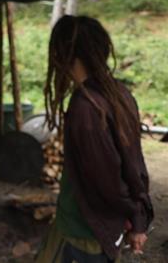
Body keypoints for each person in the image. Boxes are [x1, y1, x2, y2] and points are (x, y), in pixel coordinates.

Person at [36, 16, 153, 262]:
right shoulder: (119, 93)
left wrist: (135, 214)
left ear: (64, 54)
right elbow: (135, 165)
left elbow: (107, 178)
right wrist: (137, 215)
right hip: (96, 226)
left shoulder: (86, 107)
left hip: (83, 230)